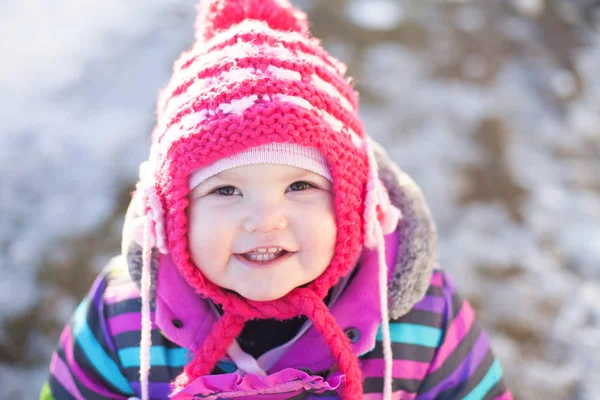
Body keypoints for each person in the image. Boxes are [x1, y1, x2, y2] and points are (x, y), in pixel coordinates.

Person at [40, 0, 513, 399]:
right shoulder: (123, 317)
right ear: (170, 212)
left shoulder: (425, 319)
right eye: (225, 190)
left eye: (300, 187)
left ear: (357, 203)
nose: (265, 219)